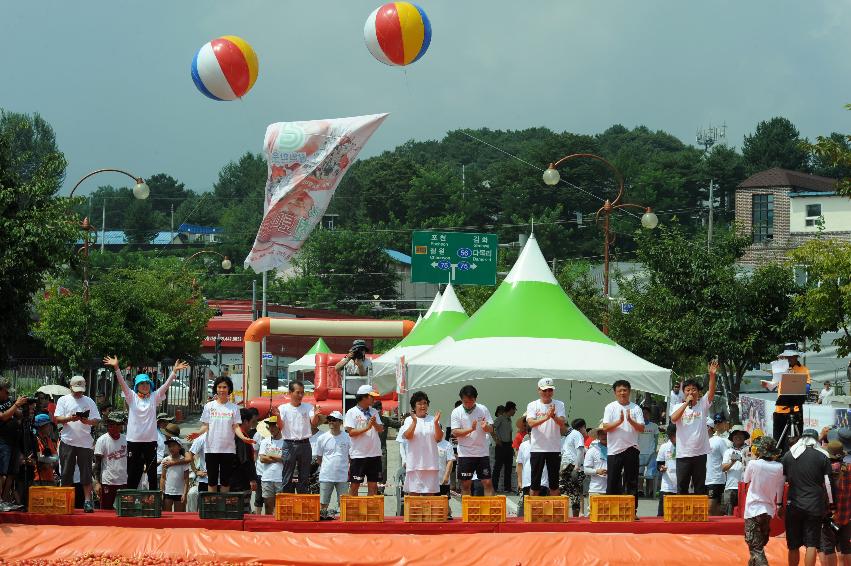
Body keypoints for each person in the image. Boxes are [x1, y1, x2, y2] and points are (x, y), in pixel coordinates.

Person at [103, 356, 188, 492]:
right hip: (134, 441)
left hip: (150, 441)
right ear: (137, 386)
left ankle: (152, 500)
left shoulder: (154, 397)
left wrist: (174, 372)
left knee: (152, 473)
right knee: (133, 473)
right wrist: (117, 368)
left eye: (147, 383)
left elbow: (165, 386)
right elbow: (122, 383)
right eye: (142, 384)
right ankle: (129, 498)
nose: (145, 386)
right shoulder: (131, 397)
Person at [188, 376, 253, 493]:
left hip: (228, 449)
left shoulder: (234, 408)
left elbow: (236, 426)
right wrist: (197, 433)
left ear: (229, 389)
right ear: (216, 389)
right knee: (212, 480)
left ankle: (222, 508)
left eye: (224, 387)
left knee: (225, 480)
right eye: (219, 387)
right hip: (211, 448)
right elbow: (206, 426)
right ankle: (212, 507)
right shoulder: (209, 406)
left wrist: (243, 438)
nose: (222, 390)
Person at [781, 429, 833, 566]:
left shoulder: (788, 456)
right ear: (816, 440)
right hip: (814, 505)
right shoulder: (822, 456)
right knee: (811, 543)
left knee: (793, 545)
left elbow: (781, 482)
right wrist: (832, 504)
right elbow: (828, 483)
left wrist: (779, 503)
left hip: (793, 504)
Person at [54, 375, 101, 512]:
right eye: (76, 389)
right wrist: (70, 418)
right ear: (70, 387)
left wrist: (88, 422)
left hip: (85, 442)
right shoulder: (63, 400)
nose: (79, 392)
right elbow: (57, 418)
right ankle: (65, 500)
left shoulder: (89, 401)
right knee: (66, 473)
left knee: (86, 473)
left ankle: (87, 501)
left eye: (81, 389)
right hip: (67, 441)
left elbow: (97, 420)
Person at [670, 360, 717, 497]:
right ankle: (681, 516)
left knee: (699, 487)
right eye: (688, 390)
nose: (691, 392)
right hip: (683, 453)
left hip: (700, 453)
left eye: (694, 389)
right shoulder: (678, 407)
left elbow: (712, 391)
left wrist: (712, 376)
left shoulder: (702, 404)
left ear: (698, 392)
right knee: (682, 487)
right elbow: (673, 419)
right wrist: (686, 404)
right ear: (683, 392)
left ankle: (698, 516)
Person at [742, 436, 786, 566]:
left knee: (756, 549)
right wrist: (779, 505)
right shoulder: (779, 467)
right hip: (768, 510)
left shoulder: (753, 464)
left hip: (753, 509)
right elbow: (779, 488)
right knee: (758, 546)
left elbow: (745, 480)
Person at [602, 379, 644, 508]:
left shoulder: (636, 408)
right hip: (615, 449)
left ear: (629, 392)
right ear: (615, 393)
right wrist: (619, 421)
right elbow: (605, 427)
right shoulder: (610, 407)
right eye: (619, 390)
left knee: (631, 480)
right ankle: (611, 509)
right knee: (613, 480)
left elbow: (641, 428)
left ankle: (632, 510)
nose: (622, 393)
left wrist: (630, 420)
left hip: (631, 447)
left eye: (625, 390)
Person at [451, 385, 495, 497]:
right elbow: (455, 432)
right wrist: (471, 429)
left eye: (471, 401)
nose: (468, 404)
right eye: (465, 402)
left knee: (487, 482)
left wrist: (486, 427)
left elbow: (491, 427)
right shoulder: (456, 412)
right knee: (466, 484)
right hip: (465, 453)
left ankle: (488, 511)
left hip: (482, 452)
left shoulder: (483, 409)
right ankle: (467, 512)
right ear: (461, 399)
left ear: (476, 399)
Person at [526, 378, 566, 497]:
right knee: (535, 483)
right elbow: (531, 423)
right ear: (539, 390)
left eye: (550, 390)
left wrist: (553, 416)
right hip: (537, 448)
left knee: (554, 483)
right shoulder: (533, 405)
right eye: (545, 390)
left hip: (554, 448)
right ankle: (533, 512)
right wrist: (546, 417)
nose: (547, 393)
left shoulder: (559, 404)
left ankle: (556, 514)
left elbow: (562, 423)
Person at [278, 380, 320, 494]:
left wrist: (316, 414)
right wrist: (277, 416)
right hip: (289, 444)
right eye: (298, 392)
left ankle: (302, 504)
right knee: (287, 476)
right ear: (290, 393)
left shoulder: (309, 407)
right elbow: (280, 426)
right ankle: (286, 504)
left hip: (305, 444)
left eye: (302, 393)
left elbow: (314, 423)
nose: (301, 395)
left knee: (304, 477)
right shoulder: (283, 408)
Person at [399, 391, 443, 495]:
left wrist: (436, 423)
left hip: (430, 465)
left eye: (425, 403)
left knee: (429, 499)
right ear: (414, 406)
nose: (422, 406)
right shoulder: (409, 420)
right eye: (419, 403)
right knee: (414, 498)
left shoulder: (433, 420)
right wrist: (414, 422)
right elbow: (407, 436)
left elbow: (438, 439)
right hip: (414, 465)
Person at [768, 346, 811, 451]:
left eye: (791, 356)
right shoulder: (780, 368)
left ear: (796, 356)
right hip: (780, 409)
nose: (789, 359)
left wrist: (795, 381)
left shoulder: (803, 369)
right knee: (778, 439)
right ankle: (778, 459)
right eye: (787, 357)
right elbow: (773, 386)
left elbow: (807, 387)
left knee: (796, 439)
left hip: (796, 408)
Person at [344, 384, 384, 496]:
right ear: (364, 397)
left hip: (374, 454)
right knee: (355, 485)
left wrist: (375, 423)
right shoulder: (351, 412)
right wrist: (367, 427)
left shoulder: (374, 411)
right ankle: (352, 511)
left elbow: (381, 429)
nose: (374, 399)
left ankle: (370, 512)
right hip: (358, 455)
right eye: (372, 396)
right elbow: (351, 432)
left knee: (373, 486)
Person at [819, 440, 850, 565]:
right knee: (846, 548)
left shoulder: (823, 470)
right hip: (846, 515)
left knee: (828, 548)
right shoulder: (849, 468)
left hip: (828, 516)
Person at [314, 411, 351, 516]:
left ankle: (344, 528)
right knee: (323, 504)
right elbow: (319, 458)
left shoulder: (347, 437)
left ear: (340, 422)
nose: (331, 422)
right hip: (326, 476)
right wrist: (327, 468)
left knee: (344, 504)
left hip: (342, 476)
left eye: (334, 420)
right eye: (329, 420)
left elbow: (350, 457)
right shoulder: (322, 438)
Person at [0, 380, 27, 508]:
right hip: (3, 441)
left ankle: (4, 500)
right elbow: (3, 417)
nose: (8, 394)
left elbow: (20, 414)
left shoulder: (9, 402)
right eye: (6, 391)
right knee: (2, 473)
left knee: (11, 473)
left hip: (14, 441)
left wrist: (18, 407)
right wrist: (15, 405)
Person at [93, 412, 127, 510]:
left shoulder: (126, 440)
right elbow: (97, 464)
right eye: (111, 424)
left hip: (123, 481)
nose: (114, 427)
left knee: (124, 510)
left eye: (117, 424)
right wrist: (97, 482)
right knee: (106, 510)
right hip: (108, 481)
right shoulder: (102, 440)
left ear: (122, 426)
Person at [517, 431, 550, 518]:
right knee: (528, 510)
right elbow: (519, 464)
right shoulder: (523, 445)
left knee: (541, 510)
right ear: (529, 433)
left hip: (542, 482)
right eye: (532, 433)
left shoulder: (546, 445)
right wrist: (519, 481)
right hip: (527, 482)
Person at [258, 416, 285, 515]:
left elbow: (287, 460)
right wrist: (278, 458)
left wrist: (270, 455)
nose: (271, 428)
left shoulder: (286, 441)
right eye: (269, 426)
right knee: (268, 505)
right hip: (267, 478)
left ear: (279, 426)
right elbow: (262, 459)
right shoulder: (265, 441)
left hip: (281, 478)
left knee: (281, 507)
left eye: (274, 425)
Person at [561, 418, 587, 517]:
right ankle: (564, 515)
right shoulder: (565, 437)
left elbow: (580, 450)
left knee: (576, 493)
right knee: (564, 491)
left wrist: (577, 466)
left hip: (574, 467)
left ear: (562, 425)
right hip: (565, 467)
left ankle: (577, 516)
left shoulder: (576, 434)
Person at [721, 425, 750, 516]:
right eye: (735, 435)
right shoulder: (728, 451)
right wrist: (732, 462)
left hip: (745, 487)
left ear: (744, 437)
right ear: (732, 438)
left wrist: (742, 459)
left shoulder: (749, 449)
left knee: (744, 515)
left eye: (740, 435)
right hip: (730, 487)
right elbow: (723, 468)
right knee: (728, 515)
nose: (738, 437)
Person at [372, 399, 400, 490]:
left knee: (383, 469)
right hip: (370, 449)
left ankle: (381, 488)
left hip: (382, 449)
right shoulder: (369, 420)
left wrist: (407, 419)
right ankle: (372, 488)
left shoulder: (385, 420)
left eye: (380, 408)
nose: (379, 410)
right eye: (376, 409)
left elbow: (398, 424)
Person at [493, 401, 516, 493]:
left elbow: (510, 433)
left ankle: (507, 488)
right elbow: (492, 428)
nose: (515, 412)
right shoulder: (501, 418)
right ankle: (494, 488)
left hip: (508, 445)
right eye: (514, 410)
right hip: (501, 445)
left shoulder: (509, 419)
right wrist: (496, 440)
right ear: (510, 409)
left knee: (508, 468)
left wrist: (512, 446)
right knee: (497, 467)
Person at [706, 417, 728, 515]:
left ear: (708, 428)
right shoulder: (700, 442)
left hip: (716, 479)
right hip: (703, 480)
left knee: (710, 508)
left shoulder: (718, 441)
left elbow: (727, 457)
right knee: (709, 509)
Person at [160, 437, 189, 512]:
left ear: (179, 447)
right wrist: (161, 492)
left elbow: (186, 479)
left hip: (180, 493)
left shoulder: (184, 461)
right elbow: (163, 477)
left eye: (173, 445)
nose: (171, 448)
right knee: (167, 516)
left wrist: (185, 494)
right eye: (169, 446)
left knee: (179, 518)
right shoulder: (165, 460)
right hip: (167, 492)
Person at [583, 428, 608, 514]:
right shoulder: (592, 451)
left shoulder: (616, 450)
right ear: (598, 435)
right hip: (596, 489)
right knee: (594, 514)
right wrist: (597, 471)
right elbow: (586, 470)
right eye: (602, 434)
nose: (604, 436)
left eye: (606, 433)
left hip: (612, 490)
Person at [30, 413, 58, 486]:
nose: (50, 428)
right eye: (48, 425)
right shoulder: (35, 440)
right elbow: (38, 457)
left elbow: (56, 457)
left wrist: (46, 460)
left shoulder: (49, 440)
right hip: (37, 479)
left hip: (50, 478)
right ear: (41, 427)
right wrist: (50, 460)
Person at [656, 424, 677, 517]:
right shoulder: (664, 447)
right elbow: (659, 463)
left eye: (674, 436)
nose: (673, 439)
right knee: (662, 515)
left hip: (681, 487)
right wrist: (661, 467)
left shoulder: (686, 446)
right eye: (670, 436)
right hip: (667, 486)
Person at [638, 407, 659, 497]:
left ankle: (650, 491)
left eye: (646, 413)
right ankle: (640, 490)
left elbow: (656, 438)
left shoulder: (654, 426)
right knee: (639, 473)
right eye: (642, 413)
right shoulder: (637, 425)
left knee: (651, 473)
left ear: (649, 415)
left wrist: (655, 450)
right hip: (639, 453)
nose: (644, 415)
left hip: (651, 453)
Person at [437, 434, 455, 517]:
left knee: (445, 503)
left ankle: (448, 512)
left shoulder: (447, 444)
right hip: (431, 480)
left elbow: (450, 461)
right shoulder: (427, 443)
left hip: (443, 480)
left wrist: (446, 476)